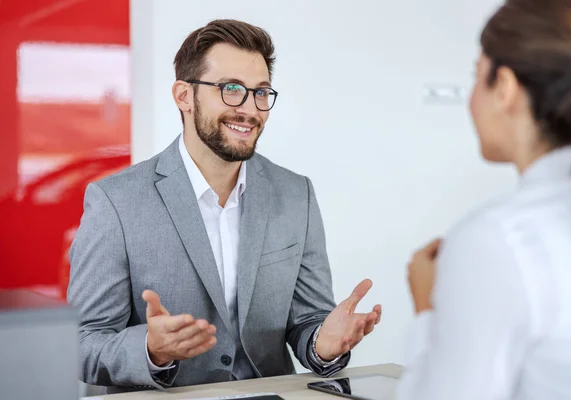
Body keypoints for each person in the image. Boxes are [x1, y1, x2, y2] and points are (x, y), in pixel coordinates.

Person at [67, 19, 381, 393]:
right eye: (231, 89)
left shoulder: (297, 194)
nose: (250, 109)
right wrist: (150, 351)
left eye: (260, 92)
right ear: (184, 96)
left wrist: (322, 347)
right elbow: (82, 343)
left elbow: (308, 321)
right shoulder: (116, 201)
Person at [396, 0, 571, 398]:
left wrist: (428, 309)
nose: (470, 97)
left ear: (504, 87)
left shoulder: (500, 239)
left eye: (476, 76)